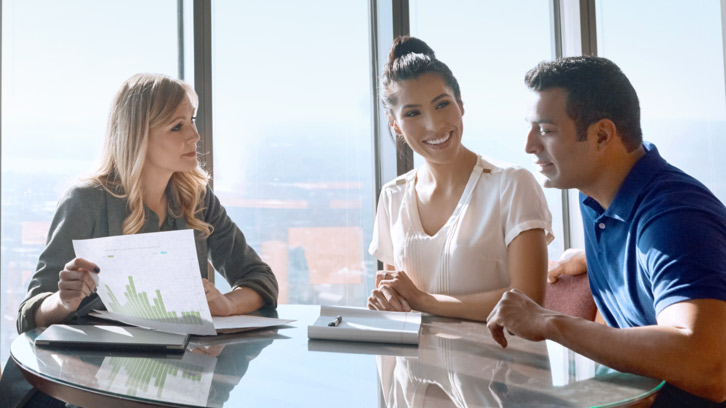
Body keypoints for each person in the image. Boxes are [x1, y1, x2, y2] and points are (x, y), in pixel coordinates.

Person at [486, 56, 726, 406]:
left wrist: (549, 322)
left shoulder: (674, 218)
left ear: (601, 135)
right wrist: (583, 258)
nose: (529, 146)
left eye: (546, 130)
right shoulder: (597, 201)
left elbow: (708, 366)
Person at [17, 73, 279, 334]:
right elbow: (29, 316)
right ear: (138, 135)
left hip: (180, 365)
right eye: (177, 126)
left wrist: (227, 303)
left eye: (192, 120)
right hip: (91, 367)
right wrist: (63, 302)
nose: (195, 135)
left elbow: (261, 279)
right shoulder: (87, 200)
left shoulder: (196, 198)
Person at [367, 36, 553, 321]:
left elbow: (527, 301)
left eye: (442, 105)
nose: (434, 124)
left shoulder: (512, 184)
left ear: (460, 104)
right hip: (414, 363)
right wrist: (388, 301)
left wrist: (423, 300)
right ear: (395, 125)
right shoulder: (393, 195)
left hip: (502, 363)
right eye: (413, 113)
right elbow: (397, 299)